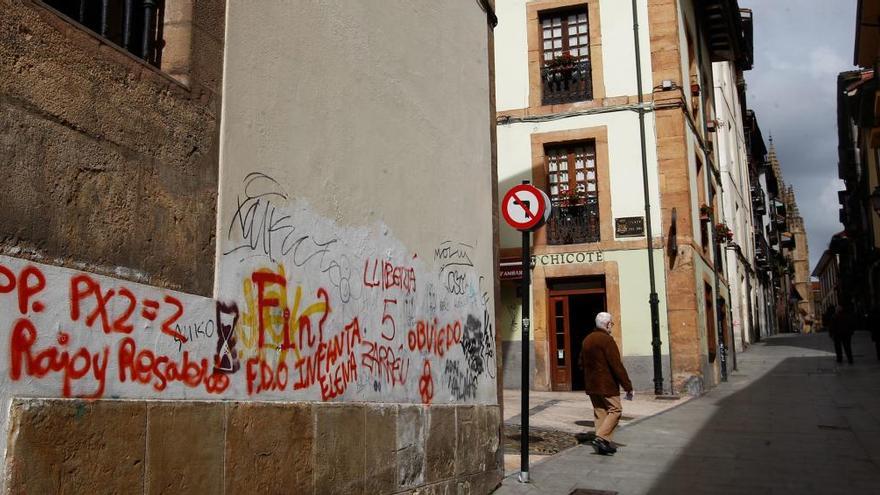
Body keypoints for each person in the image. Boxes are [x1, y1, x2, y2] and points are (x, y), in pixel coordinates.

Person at [578, 312, 633, 456]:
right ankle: (601, 438)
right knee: (615, 410)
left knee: (600, 411)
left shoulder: (587, 339)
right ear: (607, 324)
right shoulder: (607, 340)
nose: (611, 327)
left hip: (591, 384)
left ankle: (603, 444)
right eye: (611, 324)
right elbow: (616, 365)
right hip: (606, 384)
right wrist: (627, 386)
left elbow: (580, 363)